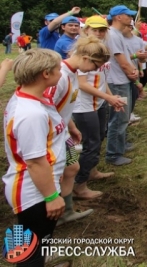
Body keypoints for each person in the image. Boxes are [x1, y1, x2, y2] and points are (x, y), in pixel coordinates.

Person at [3, 49, 67, 267]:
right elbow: (34, 161)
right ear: (46, 74)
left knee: (27, 243)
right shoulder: (31, 114)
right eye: (59, 69)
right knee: (32, 250)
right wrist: (51, 197)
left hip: (32, 188)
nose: (62, 71)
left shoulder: (26, 96)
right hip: (33, 192)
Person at [45, 36, 110, 224]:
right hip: (50, 135)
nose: (96, 70)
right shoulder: (60, 76)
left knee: (72, 167)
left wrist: (71, 126)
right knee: (55, 172)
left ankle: (67, 210)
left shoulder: (72, 73)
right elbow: (47, 107)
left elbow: (62, 106)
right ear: (86, 58)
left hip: (62, 131)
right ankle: (48, 213)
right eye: (96, 65)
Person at [73, 16, 127, 199]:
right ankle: (79, 185)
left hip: (98, 103)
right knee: (91, 143)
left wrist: (110, 97)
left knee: (99, 137)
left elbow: (101, 79)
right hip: (83, 106)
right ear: (86, 29)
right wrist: (107, 98)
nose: (99, 33)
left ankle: (92, 171)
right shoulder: (83, 52)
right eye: (95, 30)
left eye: (102, 30)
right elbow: (82, 84)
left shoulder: (102, 51)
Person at [105, 5, 139, 166]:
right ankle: (113, 154)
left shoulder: (117, 34)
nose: (131, 18)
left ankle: (121, 144)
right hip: (117, 81)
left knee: (123, 117)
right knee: (119, 119)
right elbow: (121, 60)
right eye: (128, 15)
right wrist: (131, 72)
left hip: (122, 80)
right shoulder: (112, 35)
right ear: (118, 17)